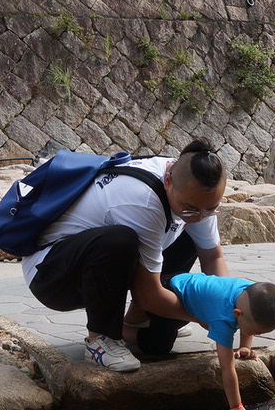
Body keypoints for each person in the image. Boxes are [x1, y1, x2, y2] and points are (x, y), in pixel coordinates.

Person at [22, 138, 228, 372]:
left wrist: (225, 303)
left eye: (210, 209)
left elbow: (213, 257)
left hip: (107, 268)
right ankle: (100, 339)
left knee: (159, 342)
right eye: (191, 208)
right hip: (54, 275)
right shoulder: (144, 199)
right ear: (169, 181)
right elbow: (149, 294)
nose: (200, 216)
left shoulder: (192, 188)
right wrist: (205, 316)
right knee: (119, 240)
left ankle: (135, 320)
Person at [165, 274, 275, 410]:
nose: (256, 335)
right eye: (256, 332)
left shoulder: (249, 295)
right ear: (236, 314)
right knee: (154, 344)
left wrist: (244, 347)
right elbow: (227, 367)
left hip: (186, 281)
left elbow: (246, 321)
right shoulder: (223, 319)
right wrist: (236, 406)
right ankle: (128, 331)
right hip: (170, 294)